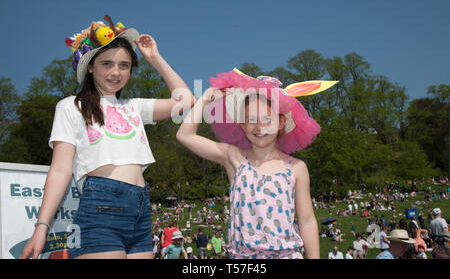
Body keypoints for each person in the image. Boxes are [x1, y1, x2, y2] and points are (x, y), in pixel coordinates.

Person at [20, 17, 194, 259]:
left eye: (124, 65)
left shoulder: (134, 106)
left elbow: (185, 101)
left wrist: (154, 58)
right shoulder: (71, 106)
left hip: (141, 210)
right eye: (107, 64)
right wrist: (41, 228)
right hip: (99, 207)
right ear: (90, 66)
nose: (116, 72)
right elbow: (60, 171)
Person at [176, 69, 335, 259]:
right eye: (251, 120)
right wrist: (205, 99)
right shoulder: (234, 158)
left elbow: (307, 220)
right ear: (242, 125)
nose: (260, 127)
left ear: (281, 122)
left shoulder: (297, 168)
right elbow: (184, 135)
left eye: (268, 118)